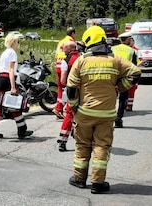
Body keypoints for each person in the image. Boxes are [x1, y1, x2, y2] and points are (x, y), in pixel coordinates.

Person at [66, 26, 141, 194]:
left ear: (89, 42)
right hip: (106, 114)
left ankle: (79, 179)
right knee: (101, 146)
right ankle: (97, 183)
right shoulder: (116, 60)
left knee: (82, 145)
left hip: (84, 112)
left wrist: (74, 107)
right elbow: (136, 73)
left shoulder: (81, 60)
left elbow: (70, 89)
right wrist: (119, 88)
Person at [0, 33, 33, 139]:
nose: (18, 44)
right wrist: (13, 86)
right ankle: (22, 129)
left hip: (0, 78)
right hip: (7, 79)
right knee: (14, 104)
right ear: (14, 42)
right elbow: (11, 70)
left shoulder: (4, 53)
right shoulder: (12, 53)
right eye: (18, 42)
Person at [57, 40, 81, 152]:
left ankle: (62, 141)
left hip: (71, 91)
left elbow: (62, 80)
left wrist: (69, 85)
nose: (62, 50)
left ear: (70, 49)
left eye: (64, 48)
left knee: (69, 115)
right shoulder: (83, 58)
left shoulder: (65, 61)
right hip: (84, 91)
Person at [111, 31, 138, 128]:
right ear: (126, 40)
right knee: (123, 99)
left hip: (112, 77)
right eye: (129, 39)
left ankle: (110, 117)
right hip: (124, 78)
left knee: (111, 98)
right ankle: (118, 119)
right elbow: (134, 67)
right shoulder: (132, 51)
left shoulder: (112, 49)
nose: (130, 40)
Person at [53, 27, 77, 118]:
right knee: (68, 87)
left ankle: (58, 107)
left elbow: (56, 55)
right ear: (73, 34)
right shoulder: (71, 42)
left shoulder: (61, 41)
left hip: (59, 65)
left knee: (60, 88)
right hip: (67, 64)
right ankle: (60, 108)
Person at [126, 36, 139, 112]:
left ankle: (129, 105)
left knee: (132, 90)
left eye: (131, 41)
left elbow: (140, 61)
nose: (130, 42)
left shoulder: (136, 50)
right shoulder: (127, 50)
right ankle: (125, 104)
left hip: (134, 72)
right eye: (129, 41)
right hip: (126, 72)